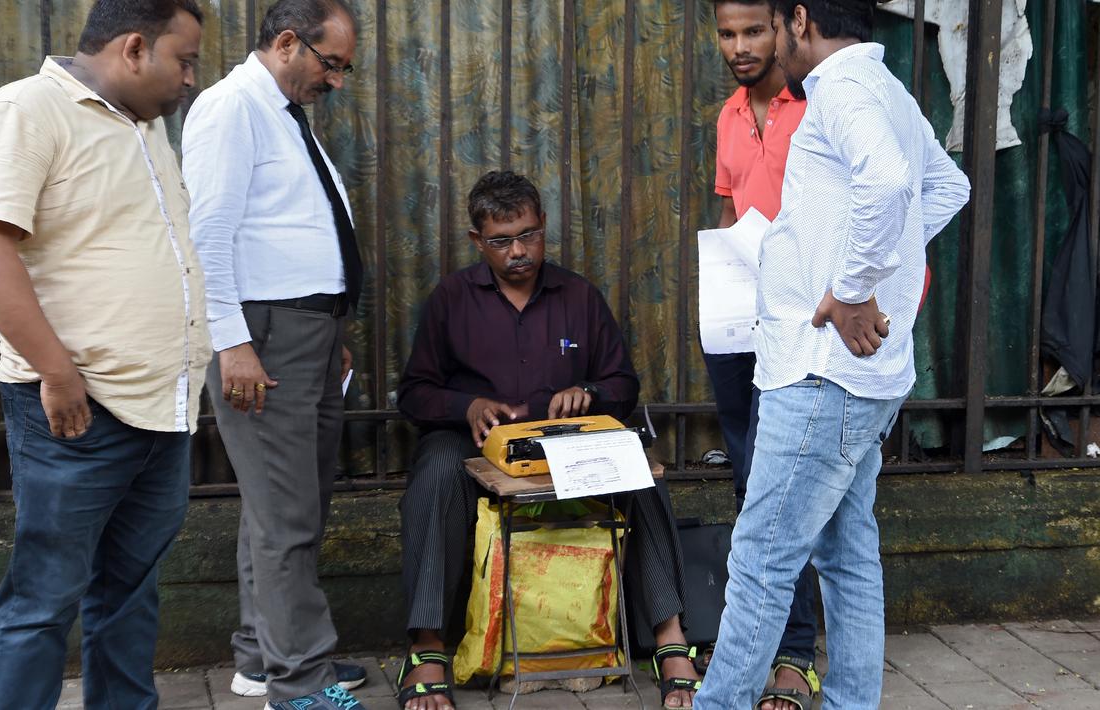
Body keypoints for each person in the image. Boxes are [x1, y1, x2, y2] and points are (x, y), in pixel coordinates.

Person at [692, 1, 970, 709]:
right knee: (846, 556)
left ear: (799, 19)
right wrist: (881, 262)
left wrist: (852, 285)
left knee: (760, 559)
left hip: (820, 370)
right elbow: (945, 185)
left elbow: (890, 184)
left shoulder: (843, 89)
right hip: (848, 373)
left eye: (772, 27)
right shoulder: (884, 89)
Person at [0, 2, 208, 708]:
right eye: (183, 60)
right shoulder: (26, 112)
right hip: (76, 408)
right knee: (43, 600)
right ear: (133, 48)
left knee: (129, 595)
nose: (190, 78)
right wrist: (57, 371)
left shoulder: (145, 128)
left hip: (163, 407)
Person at [395, 170, 700, 710]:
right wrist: (466, 406)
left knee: (634, 463)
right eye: (502, 241)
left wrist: (587, 391)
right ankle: (428, 647)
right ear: (477, 242)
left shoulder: (577, 295)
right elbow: (415, 393)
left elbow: (622, 384)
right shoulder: (452, 299)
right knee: (438, 468)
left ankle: (671, 641)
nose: (519, 252)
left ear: (543, 229)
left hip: (565, 444)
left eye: (529, 235)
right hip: (477, 447)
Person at [181, 1, 366, 708]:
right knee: (287, 513)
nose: (337, 81)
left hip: (302, 331)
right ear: (288, 43)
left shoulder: (282, 114)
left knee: (284, 506)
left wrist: (329, 326)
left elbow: (291, 227)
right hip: (260, 335)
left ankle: (263, 657)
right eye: (331, 64)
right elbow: (208, 235)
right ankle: (302, 681)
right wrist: (231, 342)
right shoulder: (232, 109)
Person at [707, 2, 820, 708]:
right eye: (726, 33)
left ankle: (796, 654)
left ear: (785, 26)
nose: (739, 46)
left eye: (752, 30)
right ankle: (761, 638)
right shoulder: (727, 115)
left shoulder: (813, 106)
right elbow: (730, 210)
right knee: (751, 486)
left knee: (791, 489)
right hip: (735, 321)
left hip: (801, 324)